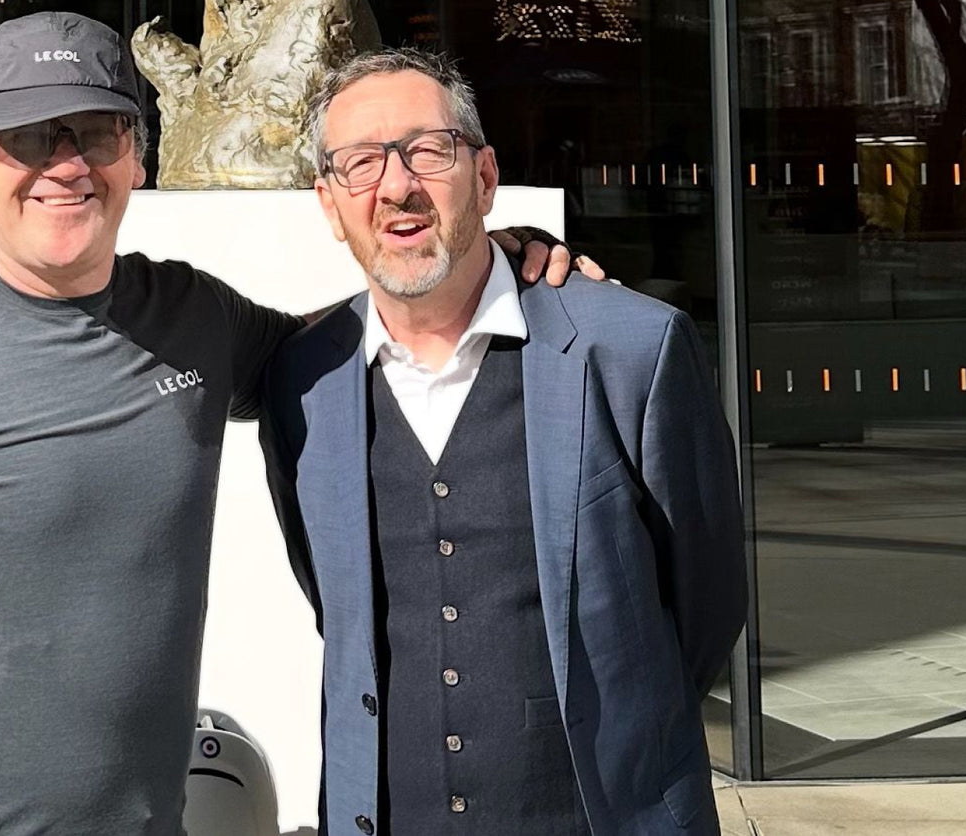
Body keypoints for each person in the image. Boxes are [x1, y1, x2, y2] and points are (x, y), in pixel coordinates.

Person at [0, 13, 596, 836]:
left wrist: (485, 255)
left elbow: (347, 351)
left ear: (135, 156)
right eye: (26, 137)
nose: (65, 165)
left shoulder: (192, 317)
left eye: (94, 132)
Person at [259, 49, 747, 836]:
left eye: (428, 150)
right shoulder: (301, 380)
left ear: (484, 177)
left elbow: (708, 598)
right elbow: (333, 603)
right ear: (328, 202)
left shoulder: (632, 352)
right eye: (360, 164)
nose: (396, 185)